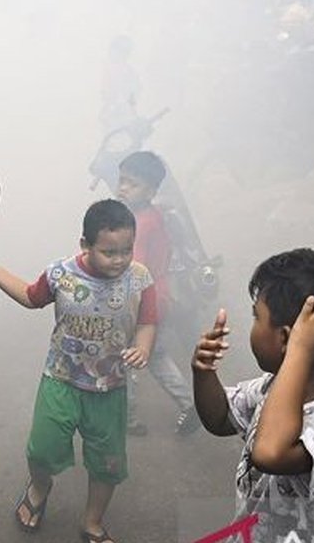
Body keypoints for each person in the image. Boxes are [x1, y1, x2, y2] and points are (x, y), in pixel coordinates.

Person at [0, 199, 156, 543]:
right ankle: (40, 487)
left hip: (110, 388)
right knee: (42, 450)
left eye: (126, 250)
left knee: (108, 463)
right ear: (85, 244)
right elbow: (30, 297)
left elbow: (148, 321)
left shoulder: (140, 278)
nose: (119, 260)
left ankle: (92, 521)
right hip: (60, 379)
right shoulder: (61, 274)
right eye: (109, 251)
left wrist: (143, 347)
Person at [190, 248, 314, 541]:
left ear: (287, 337)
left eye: (256, 317)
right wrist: (203, 372)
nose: (252, 326)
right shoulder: (272, 386)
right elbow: (220, 418)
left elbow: (269, 454)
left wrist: (300, 350)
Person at [116, 151, 200, 436]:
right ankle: (190, 404)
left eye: (133, 184)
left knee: (126, 357)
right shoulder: (153, 215)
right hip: (160, 295)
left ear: (151, 190)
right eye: (122, 180)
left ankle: (126, 419)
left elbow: (133, 267)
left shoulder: (139, 223)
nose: (124, 187)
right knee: (157, 355)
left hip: (140, 301)